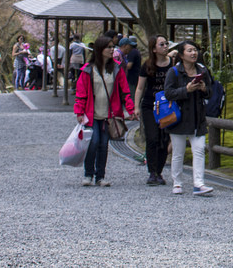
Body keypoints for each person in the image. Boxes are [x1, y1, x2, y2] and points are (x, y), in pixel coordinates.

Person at [73, 34, 136, 187]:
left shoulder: (116, 69)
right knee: (93, 143)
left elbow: (124, 90)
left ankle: (100, 176)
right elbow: (81, 93)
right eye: (108, 47)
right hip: (91, 113)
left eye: (112, 47)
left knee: (103, 144)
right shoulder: (88, 70)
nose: (111, 50)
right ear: (100, 49)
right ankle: (88, 174)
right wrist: (79, 112)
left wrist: (130, 109)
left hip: (109, 114)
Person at [163, 41, 214, 197]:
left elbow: (211, 92)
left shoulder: (203, 70)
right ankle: (177, 182)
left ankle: (199, 184)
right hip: (179, 117)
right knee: (178, 152)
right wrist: (186, 89)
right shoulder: (174, 71)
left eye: (195, 50)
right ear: (181, 54)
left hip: (198, 116)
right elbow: (168, 93)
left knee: (199, 150)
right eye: (189, 50)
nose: (194, 53)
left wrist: (204, 89)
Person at [133, 34, 173, 185]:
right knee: (152, 137)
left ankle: (159, 171)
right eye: (161, 44)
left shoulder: (173, 64)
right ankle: (152, 172)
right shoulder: (148, 65)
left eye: (166, 44)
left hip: (167, 106)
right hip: (150, 105)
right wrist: (136, 106)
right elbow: (140, 87)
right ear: (154, 48)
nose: (165, 47)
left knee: (164, 139)